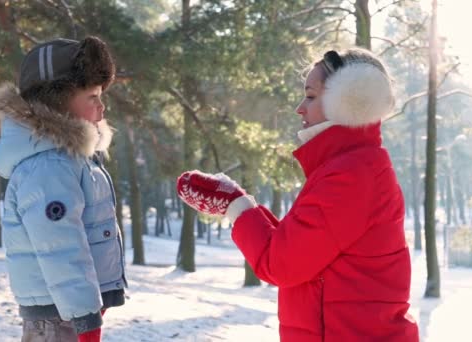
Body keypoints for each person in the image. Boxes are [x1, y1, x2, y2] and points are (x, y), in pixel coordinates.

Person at [177, 48, 419, 341]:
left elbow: (281, 263)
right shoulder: (353, 167)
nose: (300, 107)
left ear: (348, 102)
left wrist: (236, 205)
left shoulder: (351, 176)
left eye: (311, 96)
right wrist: (242, 205)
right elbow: (302, 249)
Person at [0, 37, 126, 342]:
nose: (102, 108)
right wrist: (83, 316)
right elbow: (60, 247)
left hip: (67, 308)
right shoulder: (48, 167)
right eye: (92, 97)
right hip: (60, 313)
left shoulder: (68, 160)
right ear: (57, 102)